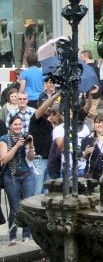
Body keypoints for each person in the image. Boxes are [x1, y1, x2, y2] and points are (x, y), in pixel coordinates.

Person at [1, 115, 36, 245]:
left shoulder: (26, 137)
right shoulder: (4, 139)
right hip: (11, 176)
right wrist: (16, 146)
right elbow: (4, 159)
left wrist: (31, 145)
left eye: (19, 124)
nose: (18, 127)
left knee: (27, 206)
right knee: (15, 208)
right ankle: (13, 236)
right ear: (10, 126)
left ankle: (27, 235)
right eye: (15, 124)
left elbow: (31, 158)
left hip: (27, 175)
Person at [28, 92, 58, 194]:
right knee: (37, 193)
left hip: (49, 161)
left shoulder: (49, 124)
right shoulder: (34, 120)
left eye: (50, 107)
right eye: (47, 106)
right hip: (38, 161)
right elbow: (43, 107)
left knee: (47, 193)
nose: (49, 108)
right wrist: (55, 96)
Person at [80, 113, 103, 182]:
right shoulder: (88, 139)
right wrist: (85, 153)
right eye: (97, 122)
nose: (100, 125)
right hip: (92, 176)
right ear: (94, 124)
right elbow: (81, 158)